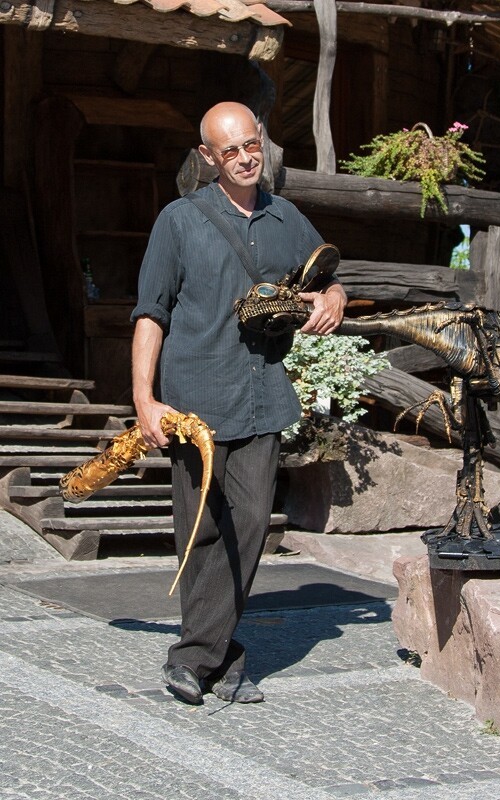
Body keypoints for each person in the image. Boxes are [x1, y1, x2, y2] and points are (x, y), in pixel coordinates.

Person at [131, 101, 347, 705]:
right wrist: (144, 401)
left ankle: (195, 656)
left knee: (250, 522)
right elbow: (151, 314)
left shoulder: (286, 217)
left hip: (260, 395)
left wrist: (335, 296)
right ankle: (220, 660)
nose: (246, 158)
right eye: (231, 151)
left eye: (252, 144)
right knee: (199, 531)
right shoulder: (178, 220)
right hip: (193, 399)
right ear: (208, 158)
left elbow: (325, 274)